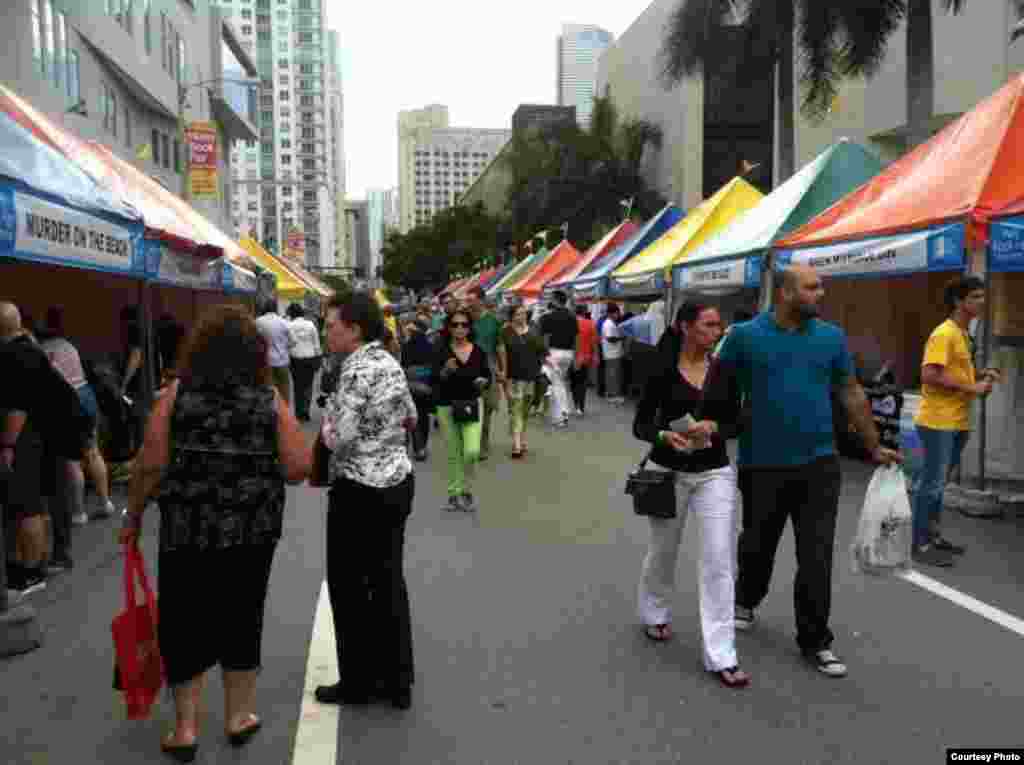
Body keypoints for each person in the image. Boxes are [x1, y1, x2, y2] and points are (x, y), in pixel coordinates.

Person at [119, 305, 311, 760]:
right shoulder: (267, 399)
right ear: (254, 352)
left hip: (187, 529)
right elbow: (298, 467)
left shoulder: (175, 396)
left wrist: (132, 518)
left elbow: (150, 464)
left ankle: (185, 727)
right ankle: (239, 716)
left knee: (184, 618)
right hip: (252, 530)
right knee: (243, 615)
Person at [697, 265, 900, 678]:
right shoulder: (744, 336)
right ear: (786, 293)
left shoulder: (830, 337)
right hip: (762, 463)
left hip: (819, 465)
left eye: (821, 286)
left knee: (816, 556)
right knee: (757, 544)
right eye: (812, 287)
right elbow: (716, 388)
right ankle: (746, 599)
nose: (820, 294)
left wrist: (872, 444)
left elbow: (850, 391)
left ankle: (815, 640)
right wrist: (709, 430)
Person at [633, 302, 749, 688]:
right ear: (685, 327)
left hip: (714, 472)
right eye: (708, 325)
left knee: (718, 558)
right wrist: (665, 435)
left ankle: (722, 653)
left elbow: (738, 421)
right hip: (668, 471)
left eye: (719, 325)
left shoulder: (725, 370)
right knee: (664, 550)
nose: (716, 332)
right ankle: (653, 611)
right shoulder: (660, 368)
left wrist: (715, 427)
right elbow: (641, 424)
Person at [314, 292, 418, 710]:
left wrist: (324, 433)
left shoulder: (355, 370)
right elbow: (410, 415)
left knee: (350, 587)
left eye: (331, 325)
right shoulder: (389, 361)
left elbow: (343, 437)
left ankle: (357, 682)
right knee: (388, 581)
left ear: (354, 329)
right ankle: (397, 682)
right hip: (396, 481)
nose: (326, 331)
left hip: (359, 490)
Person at [1, 303, 89, 596]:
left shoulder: (15, 355)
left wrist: (8, 445)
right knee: (42, 499)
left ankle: (31, 573)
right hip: (54, 432)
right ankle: (43, 560)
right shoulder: (30, 346)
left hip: (35, 437)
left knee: (28, 506)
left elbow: (18, 406)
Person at [911, 276, 999, 567]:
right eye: (975, 297)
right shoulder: (944, 334)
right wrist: (973, 388)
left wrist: (982, 374)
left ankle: (933, 537)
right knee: (932, 485)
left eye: (982, 296)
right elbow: (930, 374)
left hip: (957, 420)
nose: (981, 302)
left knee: (940, 484)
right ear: (959, 302)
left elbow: (957, 372)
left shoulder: (963, 334)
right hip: (938, 421)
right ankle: (920, 544)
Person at [432, 310, 491, 512]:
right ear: (449, 328)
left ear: (469, 328)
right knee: (453, 452)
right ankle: (455, 494)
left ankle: (466, 489)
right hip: (447, 405)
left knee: (472, 450)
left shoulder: (478, 351)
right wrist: (445, 371)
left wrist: (484, 382)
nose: (459, 328)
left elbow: (487, 376)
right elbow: (433, 380)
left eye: (464, 324)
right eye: (455, 324)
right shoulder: (440, 350)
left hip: (471, 404)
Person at [463, 287, 506, 459]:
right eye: (468, 300)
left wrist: (503, 370)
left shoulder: (493, 322)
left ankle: (483, 445)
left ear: (481, 300)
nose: (469, 303)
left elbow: (500, 347)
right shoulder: (464, 321)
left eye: (472, 299)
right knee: (468, 406)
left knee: (487, 408)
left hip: (488, 367)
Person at [502, 304, 545, 458]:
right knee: (516, 409)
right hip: (513, 378)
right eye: (518, 314)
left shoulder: (533, 331)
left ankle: (522, 437)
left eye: (523, 313)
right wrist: (502, 375)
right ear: (512, 316)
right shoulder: (505, 332)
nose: (522, 316)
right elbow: (501, 354)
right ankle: (516, 444)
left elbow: (542, 350)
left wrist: (549, 363)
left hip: (530, 377)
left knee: (525, 411)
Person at [537, 291, 578, 428]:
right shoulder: (572, 317)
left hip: (553, 352)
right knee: (560, 382)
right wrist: (575, 356)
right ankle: (562, 413)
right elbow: (575, 338)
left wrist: (544, 355)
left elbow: (545, 338)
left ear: (554, 300)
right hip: (568, 353)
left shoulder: (548, 317)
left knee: (556, 383)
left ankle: (562, 415)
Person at [402, 318, 437, 461]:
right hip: (425, 387)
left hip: (410, 386)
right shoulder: (430, 346)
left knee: (411, 415)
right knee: (422, 416)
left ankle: (415, 446)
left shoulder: (406, 346)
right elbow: (434, 368)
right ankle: (420, 447)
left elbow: (403, 365)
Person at [286, 304, 323, 422]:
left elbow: (288, 344)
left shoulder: (289, 326)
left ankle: (298, 412)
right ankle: (305, 411)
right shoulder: (310, 325)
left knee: (297, 386)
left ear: (291, 314)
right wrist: (319, 358)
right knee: (308, 385)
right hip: (310, 358)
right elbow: (316, 344)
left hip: (295, 359)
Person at [255, 302, 293, 406]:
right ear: (275, 308)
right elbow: (293, 342)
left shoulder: (258, 322)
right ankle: (284, 415)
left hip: (266, 362)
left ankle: (269, 412)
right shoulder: (284, 322)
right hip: (282, 361)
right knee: (284, 390)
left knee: (268, 390)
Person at [571, 305, 598, 417]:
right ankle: (581, 407)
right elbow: (594, 342)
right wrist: (596, 355)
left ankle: (576, 404)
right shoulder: (590, 323)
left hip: (573, 357)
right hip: (586, 358)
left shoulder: (570, 323)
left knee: (574, 382)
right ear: (584, 312)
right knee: (582, 383)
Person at [601, 304, 626, 404]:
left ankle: (612, 394)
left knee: (612, 374)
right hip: (612, 353)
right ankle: (613, 396)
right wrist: (622, 338)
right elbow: (610, 338)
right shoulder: (609, 324)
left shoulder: (610, 323)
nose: (618, 315)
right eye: (617, 313)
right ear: (612, 313)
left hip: (612, 353)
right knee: (613, 375)